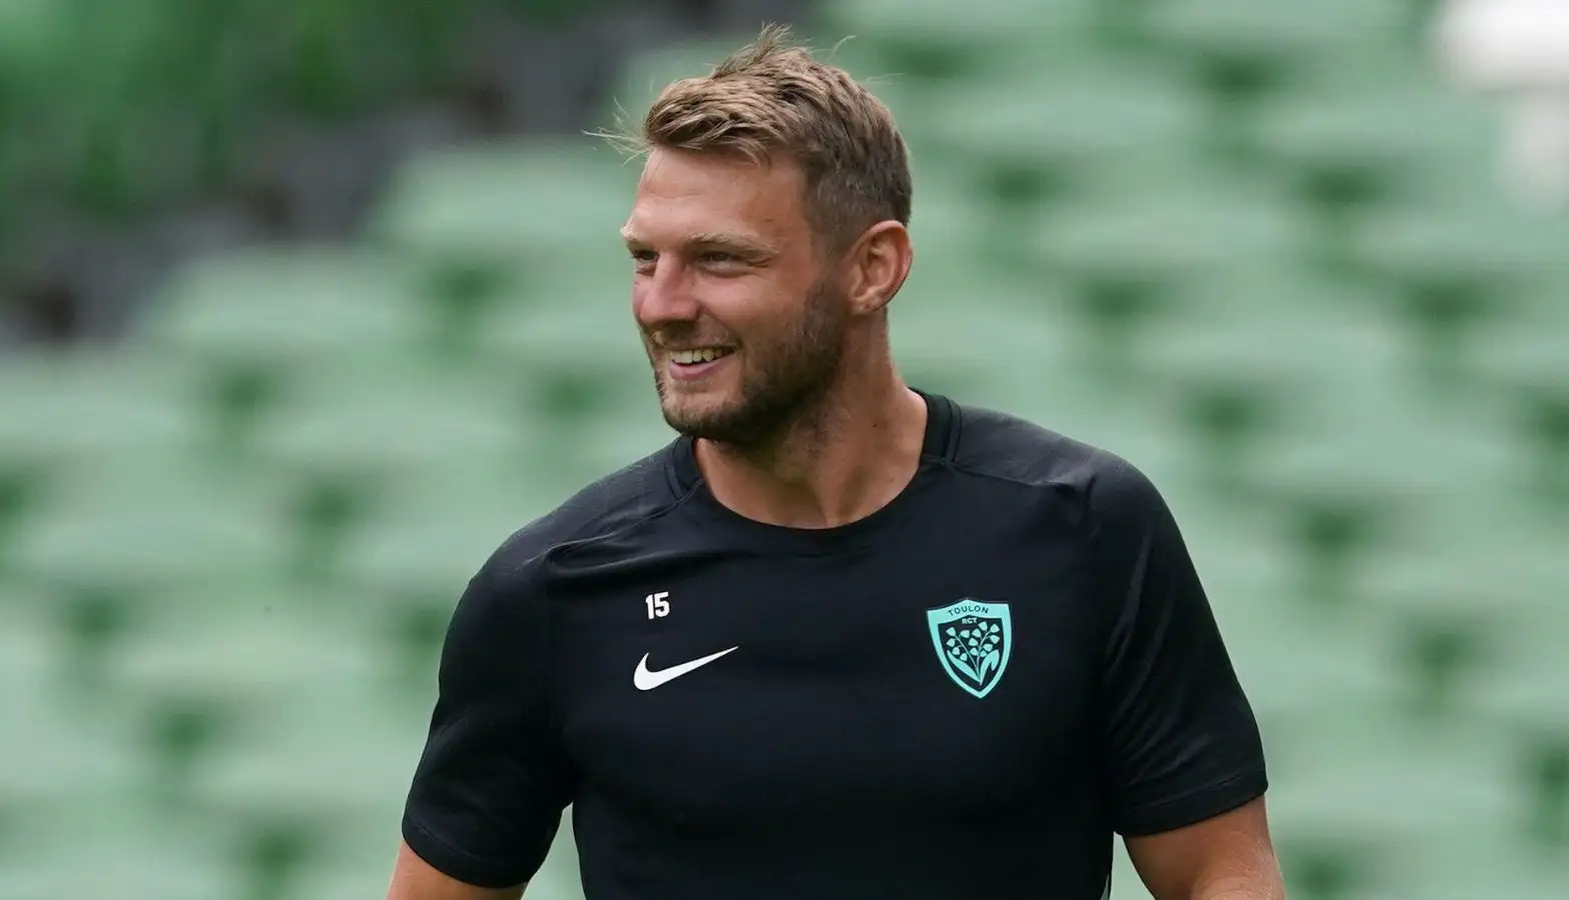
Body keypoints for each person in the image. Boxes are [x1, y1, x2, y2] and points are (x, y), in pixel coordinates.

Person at [385, 24, 1283, 900]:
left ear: (873, 268)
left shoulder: (1083, 526)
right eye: (645, 259)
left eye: (719, 260)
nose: (662, 304)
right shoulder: (554, 589)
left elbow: (1219, 872)